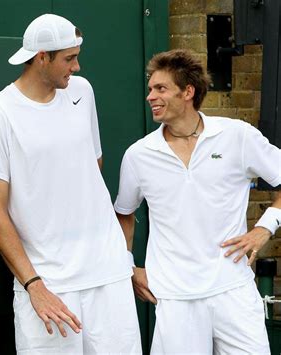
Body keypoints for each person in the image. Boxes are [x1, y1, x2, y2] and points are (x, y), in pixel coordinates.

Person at [0, 13, 141, 355]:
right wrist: (34, 284)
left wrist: (122, 257)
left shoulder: (82, 92)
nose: (76, 67)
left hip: (107, 274)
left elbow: (92, 165)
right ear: (41, 58)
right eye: (69, 58)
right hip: (49, 284)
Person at [114, 48, 281, 354]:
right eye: (150, 89)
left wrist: (264, 228)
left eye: (160, 88)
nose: (150, 96)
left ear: (188, 92)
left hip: (234, 291)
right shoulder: (138, 155)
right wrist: (129, 267)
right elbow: (124, 215)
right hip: (175, 299)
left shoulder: (237, 136)